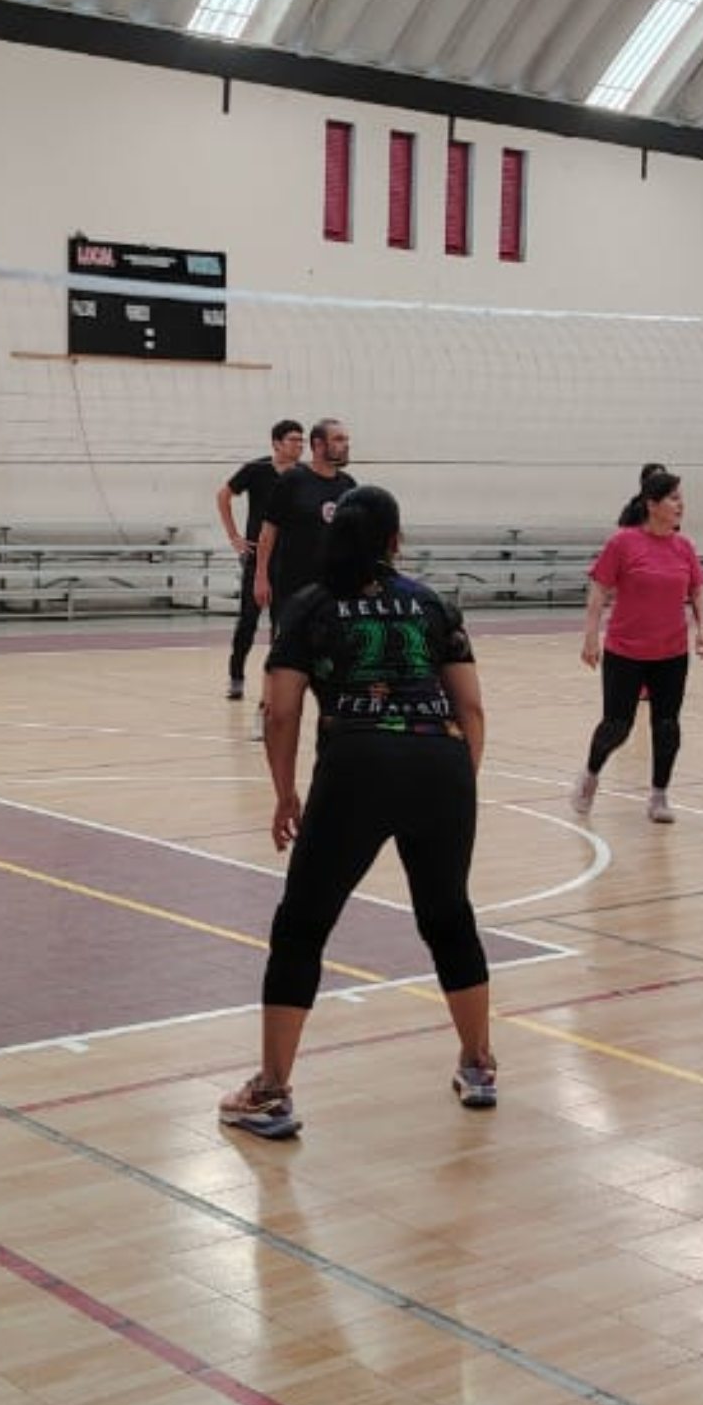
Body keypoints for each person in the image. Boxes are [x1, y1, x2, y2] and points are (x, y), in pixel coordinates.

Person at [220, 484, 496, 1139]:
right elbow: (471, 707)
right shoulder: (432, 603)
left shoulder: (309, 606)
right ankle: (478, 1066)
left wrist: (285, 793)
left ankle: (272, 1092)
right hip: (440, 761)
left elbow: (279, 710)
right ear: (395, 540)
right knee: (448, 917)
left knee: (302, 927)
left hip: (357, 765)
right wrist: (458, 782)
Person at [573, 464, 703, 824]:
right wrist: (590, 637)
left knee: (667, 726)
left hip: (671, 652)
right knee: (617, 726)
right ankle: (590, 775)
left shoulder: (684, 547)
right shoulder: (623, 543)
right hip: (625, 652)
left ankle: (659, 795)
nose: (681, 505)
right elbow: (599, 590)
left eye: (681, 499)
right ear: (652, 504)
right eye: (674, 499)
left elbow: (698, 590)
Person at [251, 417, 360, 740]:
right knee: (282, 654)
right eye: (338, 439)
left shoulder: (349, 486)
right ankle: (266, 710)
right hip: (292, 589)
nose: (345, 445)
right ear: (318, 445)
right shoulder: (293, 480)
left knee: (337, 654)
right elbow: (268, 531)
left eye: (346, 439)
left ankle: (338, 716)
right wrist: (260, 576)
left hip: (333, 590)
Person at [216, 419, 306, 701]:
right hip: (258, 557)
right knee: (248, 621)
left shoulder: (303, 475)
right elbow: (223, 495)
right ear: (277, 443)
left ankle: (274, 685)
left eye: (301, 440)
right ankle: (236, 676)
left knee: (282, 625)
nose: (299, 445)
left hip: (290, 558)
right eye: (293, 440)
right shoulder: (257, 470)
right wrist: (234, 536)